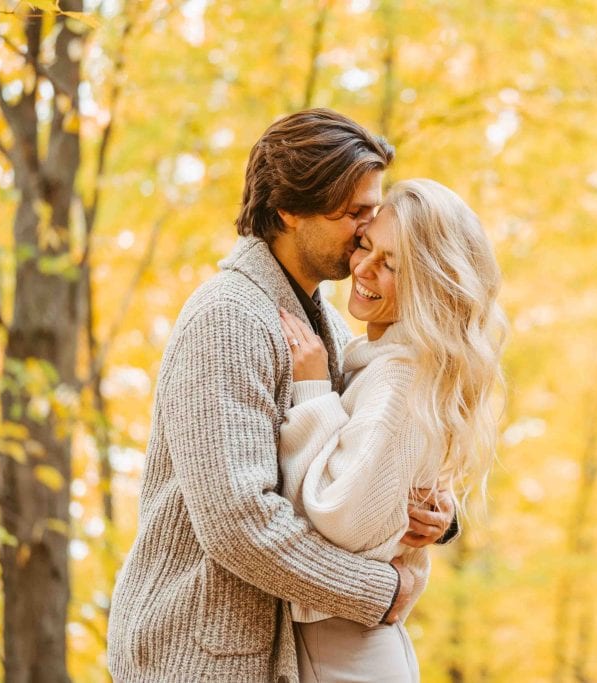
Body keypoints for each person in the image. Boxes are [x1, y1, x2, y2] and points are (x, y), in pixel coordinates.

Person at [107, 109, 455, 682]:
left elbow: (358, 452)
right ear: (289, 209)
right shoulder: (228, 319)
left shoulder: (326, 324)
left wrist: (434, 510)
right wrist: (378, 591)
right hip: (199, 658)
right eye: (354, 214)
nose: (369, 229)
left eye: (374, 209)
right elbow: (238, 524)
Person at [275, 178, 506, 682]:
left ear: (430, 285)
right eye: (365, 245)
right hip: (350, 646)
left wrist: (312, 395)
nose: (363, 268)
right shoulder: (386, 360)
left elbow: (343, 521)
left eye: (392, 265)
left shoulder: (399, 375)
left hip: (344, 653)